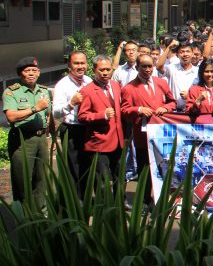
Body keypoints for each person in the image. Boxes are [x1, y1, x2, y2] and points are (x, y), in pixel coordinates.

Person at [121, 54, 176, 204]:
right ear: (137, 67)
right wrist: (138, 109)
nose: (147, 69)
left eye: (150, 66)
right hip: (142, 136)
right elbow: (124, 111)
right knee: (144, 169)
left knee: (163, 167)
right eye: (143, 66)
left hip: (161, 134)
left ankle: (163, 197)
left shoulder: (161, 83)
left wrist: (164, 108)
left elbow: (173, 102)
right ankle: (145, 200)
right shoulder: (129, 88)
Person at [3, 57, 52, 207]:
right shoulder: (12, 92)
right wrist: (35, 108)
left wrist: (49, 137)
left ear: (38, 73)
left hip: (41, 138)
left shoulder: (43, 90)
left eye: (34, 70)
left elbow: (48, 114)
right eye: (27, 70)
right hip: (23, 140)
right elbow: (10, 116)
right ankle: (25, 214)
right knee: (23, 180)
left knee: (42, 178)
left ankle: (40, 212)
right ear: (20, 73)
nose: (31, 73)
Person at [77, 55, 125, 198]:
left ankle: (119, 207)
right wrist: (101, 115)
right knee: (102, 181)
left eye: (108, 70)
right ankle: (103, 210)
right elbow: (82, 116)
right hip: (99, 142)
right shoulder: (87, 91)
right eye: (101, 70)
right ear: (94, 70)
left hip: (118, 141)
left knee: (120, 178)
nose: (105, 73)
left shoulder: (115, 86)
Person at [52, 51, 92, 194]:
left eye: (82, 63)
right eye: (76, 63)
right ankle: (75, 202)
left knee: (88, 165)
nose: (80, 66)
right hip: (72, 129)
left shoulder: (89, 81)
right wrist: (71, 103)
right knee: (74, 168)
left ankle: (87, 199)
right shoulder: (62, 85)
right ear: (69, 65)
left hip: (88, 129)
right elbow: (55, 112)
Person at [157, 40, 198, 111]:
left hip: (192, 111)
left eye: (188, 51)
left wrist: (190, 96)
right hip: (175, 111)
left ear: (192, 53)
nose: (185, 54)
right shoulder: (172, 68)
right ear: (177, 55)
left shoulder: (198, 71)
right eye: (182, 52)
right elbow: (159, 66)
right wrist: (169, 47)